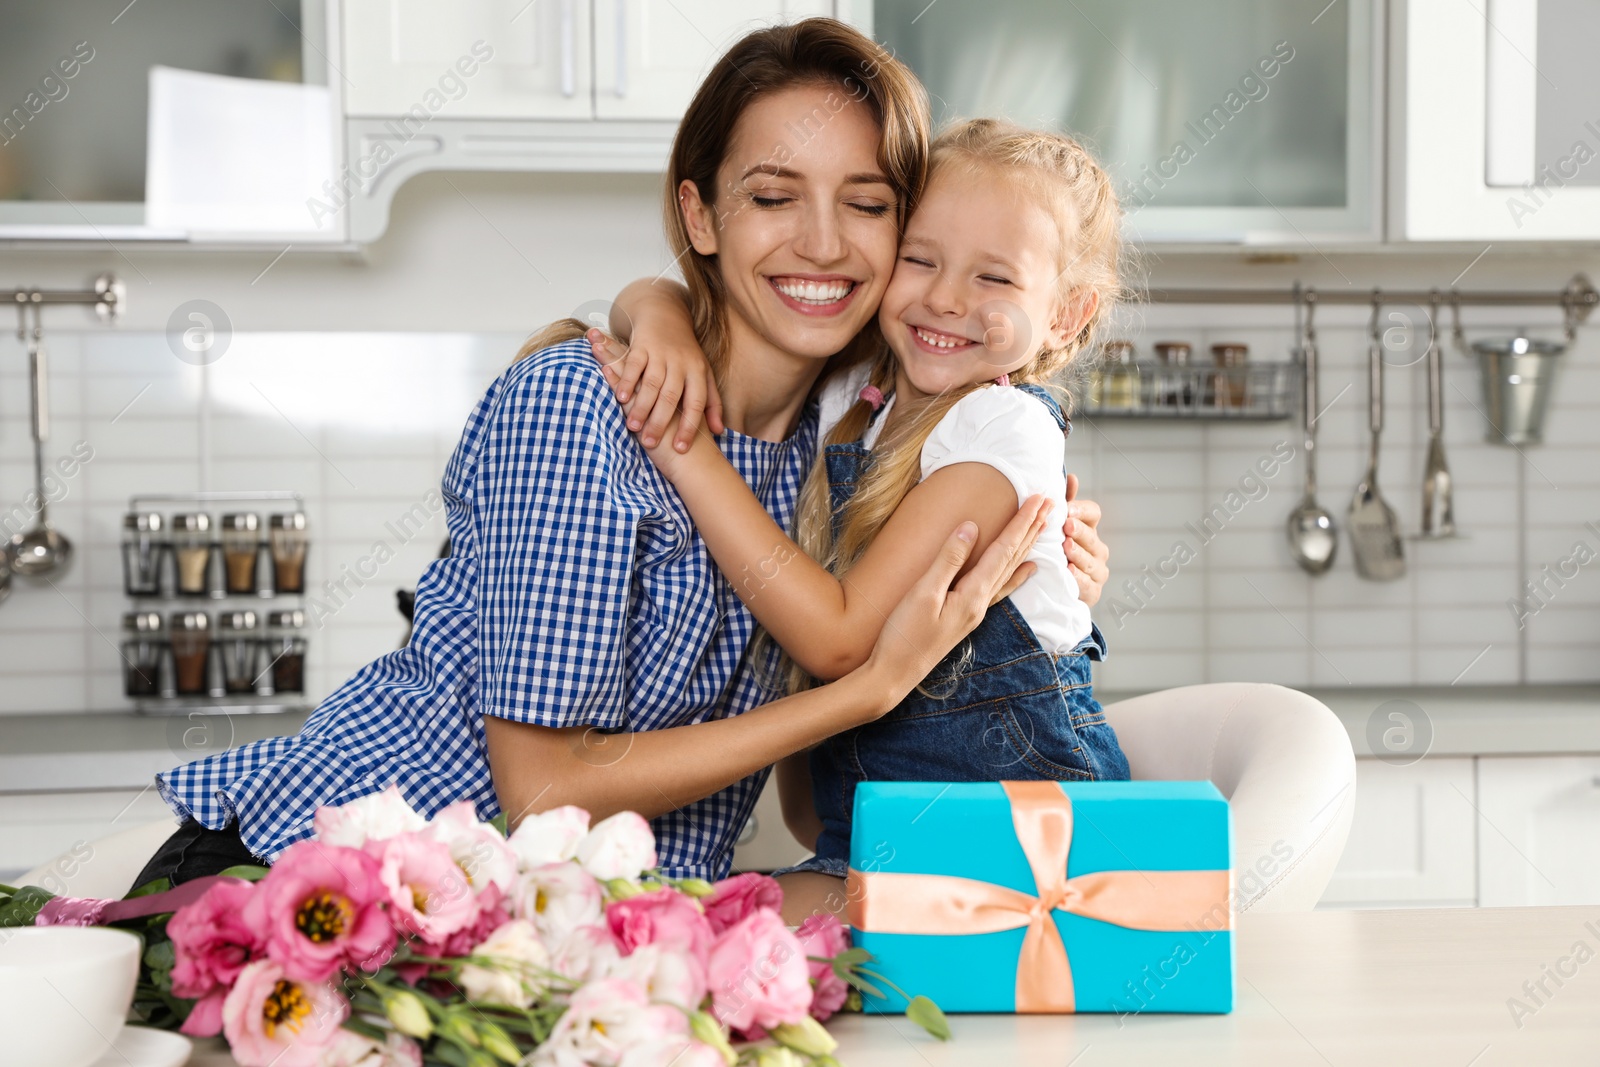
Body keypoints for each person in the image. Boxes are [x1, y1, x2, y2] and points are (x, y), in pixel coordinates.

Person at [135, 19, 1111, 896]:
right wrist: (866, 687)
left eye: (866, 204)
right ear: (700, 218)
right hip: (327, 880)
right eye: (772, 196)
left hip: (559, 929)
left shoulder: (841, 432)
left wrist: (1038, 585)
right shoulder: (583, 409)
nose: (822, 242)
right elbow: (546, 789)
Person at [592, 118, 1130, 919]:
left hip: (1029, 846)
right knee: (676, 937)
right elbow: (647, 295)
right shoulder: (861, 402)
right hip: (879, 838)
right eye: (921, 258)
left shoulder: (1005, 431)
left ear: (1065, 314)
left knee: (687, 939)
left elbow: (840, 636)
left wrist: (680, 445)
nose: (945, 297)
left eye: (995, 279)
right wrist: (658, 312)